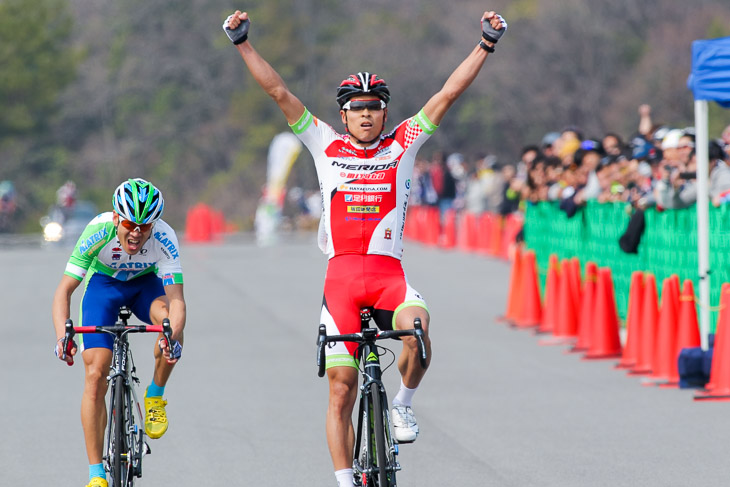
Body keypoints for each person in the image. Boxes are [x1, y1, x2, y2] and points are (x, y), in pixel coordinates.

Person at [223, 8, 506, 487]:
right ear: (343, 114)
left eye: (374, 105)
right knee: (340, 390)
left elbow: (449, 93)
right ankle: (345, 480)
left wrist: (485, 43)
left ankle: (401, 407)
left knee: (417, 332)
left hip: (389, 276)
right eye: (357, 106)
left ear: (385, 112)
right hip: (342, 282)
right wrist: (242, 43)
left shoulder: (404, 143)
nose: (367, 112)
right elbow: (278, 92)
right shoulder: (322, 143)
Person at [52, 178, 186, 487]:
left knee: (169, 324)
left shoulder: (165, 237)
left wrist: (172, 337)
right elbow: (64, 291)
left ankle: (155, 395)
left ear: (155, 225)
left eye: (145, 226)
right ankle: (96, 474)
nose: (137, 233)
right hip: (105, 286)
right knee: (95, 373)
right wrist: (62, 336)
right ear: (116, 218)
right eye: (129, 223)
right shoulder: (97, 231)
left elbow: (177, 300)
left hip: (145, 285)